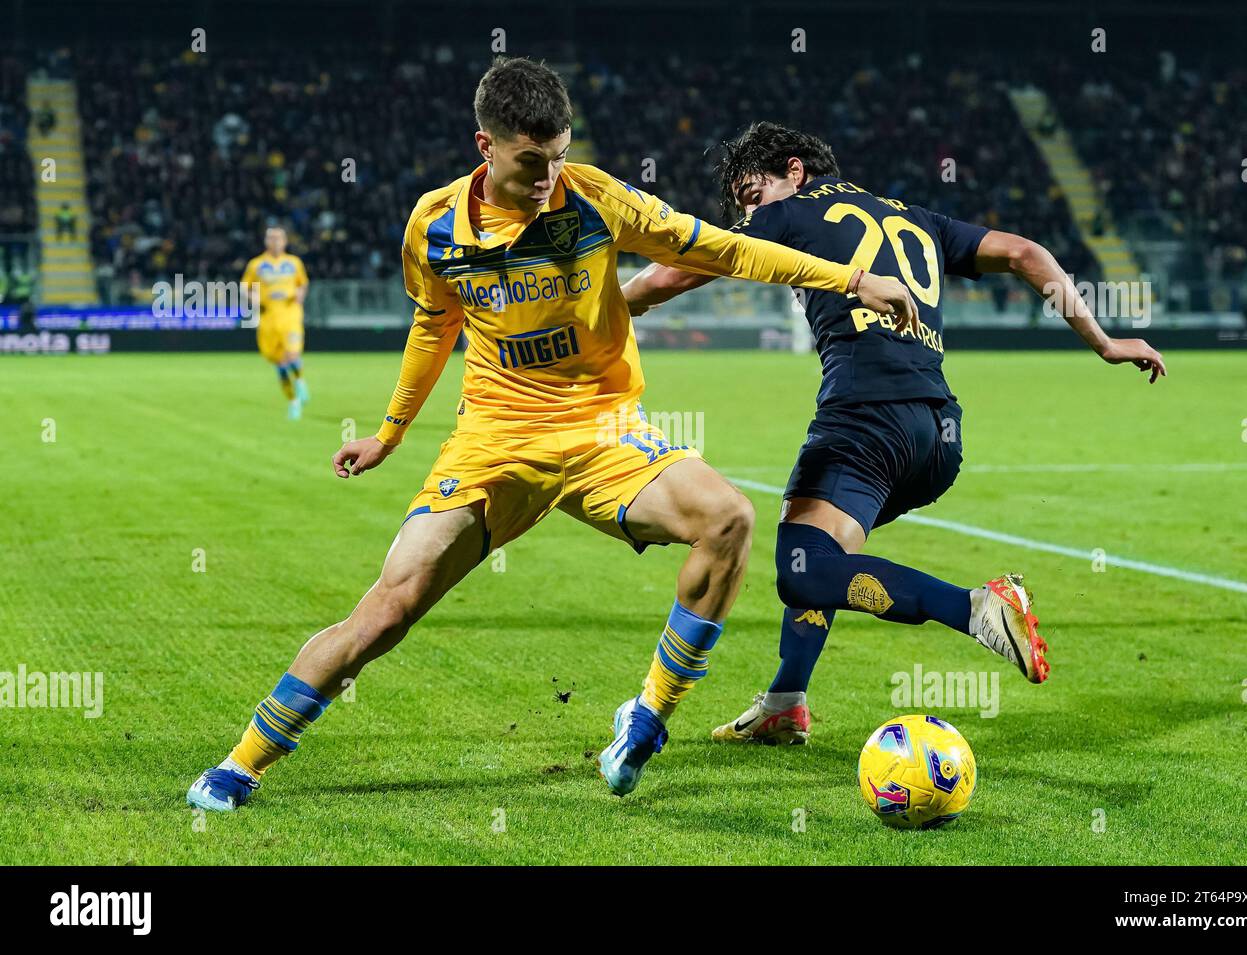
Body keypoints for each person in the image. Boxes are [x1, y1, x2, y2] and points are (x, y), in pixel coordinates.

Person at [186, 60, 918, 810]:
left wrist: (854, 280)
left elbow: (721, 247)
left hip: (604, 429)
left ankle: (646, 717)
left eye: (560, 153)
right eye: (532, 159)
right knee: (388, 609)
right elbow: (433, 325)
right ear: (487, 146)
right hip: (496, 438)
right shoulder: (434, 226)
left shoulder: (596, 197)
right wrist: (389, 433)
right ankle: (244, 761)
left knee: (728, 517)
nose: (548, 174)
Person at [621, 121, 1167, 743]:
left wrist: (616, 304)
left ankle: (976, 608)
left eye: (753, 196)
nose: (751, 214)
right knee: (818, 549)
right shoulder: (916, 217)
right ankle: (785, 703)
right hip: (938, 437)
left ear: (794, 172)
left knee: (801, 571)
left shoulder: (790, 212)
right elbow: (1025, 253)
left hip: (865, 420)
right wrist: (1104, 343)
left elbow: (679, 270)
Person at [240, 226, 310, 417]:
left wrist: (300, 296)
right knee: (279, 362)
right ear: (266, 241)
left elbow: (302, 283)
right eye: (271, 238)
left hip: (290, 314)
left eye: (278, 238)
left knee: (292, 353)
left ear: (285, 241)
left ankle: (300, 381)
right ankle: (293, 401)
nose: (275, 241)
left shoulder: (294, 262)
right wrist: (251, 297)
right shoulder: (256, 264)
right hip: (268, 316)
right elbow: (244, 287)